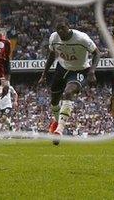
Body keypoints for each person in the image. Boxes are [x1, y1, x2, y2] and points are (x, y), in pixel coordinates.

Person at [38, 16, 100, 145]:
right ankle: (57, 121)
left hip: (80, 70)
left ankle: (59, 130)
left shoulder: (82, 38)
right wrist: (44, 74)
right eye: (58, 29)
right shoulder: (54, 38)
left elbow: (97, 53)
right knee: (54, 101)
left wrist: (92, 71)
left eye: (63, 28)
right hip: (62, 68)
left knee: (68, 93)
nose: (60, 31)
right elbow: (51, 55)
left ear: (68, 26)